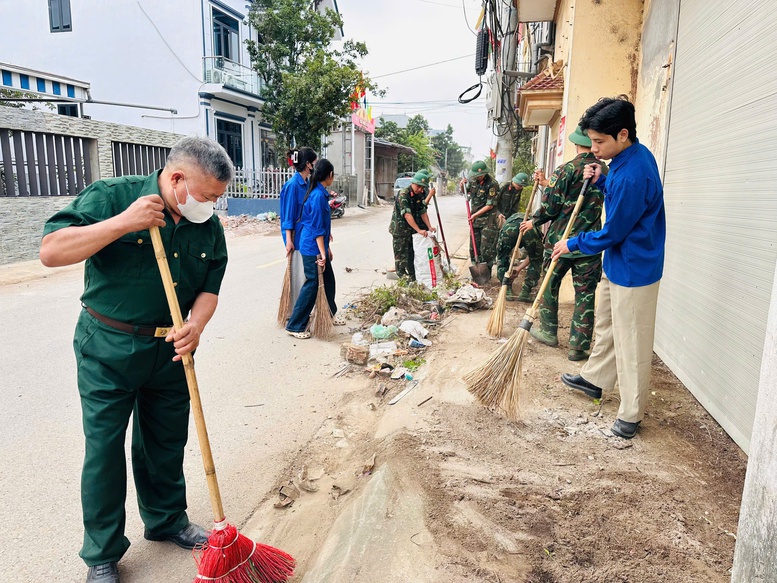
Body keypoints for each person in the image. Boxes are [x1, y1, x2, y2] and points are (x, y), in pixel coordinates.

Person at [39, 136, 235, 583]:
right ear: (177, 178)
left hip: (170, 347)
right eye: (206, 196)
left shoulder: (206, 224)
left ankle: (167, 519)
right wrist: (122, 223)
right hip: (107, 346)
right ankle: (103, 553)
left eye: (217, 199)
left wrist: (196, 326)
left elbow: (209, 287)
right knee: (105, 449)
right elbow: (51, 251)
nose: (211, 206)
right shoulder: (113, 197)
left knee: (165, 441)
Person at [553, 96, 666, 439]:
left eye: (600, 142)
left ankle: (631, 413)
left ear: (622, 134)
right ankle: (595, 379)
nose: (594, 148)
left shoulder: (634, 173)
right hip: (618, 263)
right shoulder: (624, 158)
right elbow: (618, 198)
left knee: (631, 341)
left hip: (634, 269)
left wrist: (572, 243)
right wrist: (602, 179)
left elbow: (614, 231)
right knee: (606, 323)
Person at [519, 126, 607, 361]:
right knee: (585, 294)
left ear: (575, 143)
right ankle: (578, 346)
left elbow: (552, 206)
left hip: (562, 242)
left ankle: (548, 331)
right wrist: (547, 182)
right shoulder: (603, 169)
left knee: (549, 285)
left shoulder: (566, 169)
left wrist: (535, 221)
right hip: (589, 242)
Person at [285, 159, 346, 338]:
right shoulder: (318, 196)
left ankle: (329, 313)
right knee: (312, 284)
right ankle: (295, 325)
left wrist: (326, 249)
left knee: (329, 280)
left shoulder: (320, 192)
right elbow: (317, 229)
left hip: (316, 244)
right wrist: (322, 252)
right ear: (329, 175)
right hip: (312, 246)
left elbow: (321, 227)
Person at [280, 147, 318, 309]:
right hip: (295, 238)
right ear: (308, 164)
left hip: (307, 236)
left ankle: (302, 311)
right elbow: (288, 216)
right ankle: (293, 313)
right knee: (296, 277)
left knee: (304, 277)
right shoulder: (293, 185)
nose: (316, 165)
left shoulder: (307, 184)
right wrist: (289, 240)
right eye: (315, 162)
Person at [495, 187, 544, 302]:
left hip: (510, 230)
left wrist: (518, 268)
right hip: (528, 229)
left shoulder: (507, 223)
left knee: (502, 258)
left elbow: (503, 255)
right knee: (537, 259)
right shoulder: (534, 223)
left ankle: (506, 290)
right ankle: (525, 292)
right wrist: (519, 268)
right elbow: (532, 257)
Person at [388, 171, 437, 281]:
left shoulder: (418, 195)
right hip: (400, 231)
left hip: (410, 231)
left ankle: (413, 279)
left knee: (411, 256)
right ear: (414, 183)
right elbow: (407, 215)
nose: (421, 190)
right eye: (419, 187)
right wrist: (418, 230)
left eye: (422, 188)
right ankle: (403, 281)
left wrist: (429, 227)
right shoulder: (403, 194)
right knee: (401, 258)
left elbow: (422, 211)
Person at [466, 160, 499, 275]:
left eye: (479, 175)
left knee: (486, 248)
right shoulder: (473, 181)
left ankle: (486, 272)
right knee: (473, 247)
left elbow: (490, 205)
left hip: (488, 221)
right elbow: (466, 191)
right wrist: (462, 185)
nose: (477, 177)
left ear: (484, 173)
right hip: (474, 221)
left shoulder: (492, 184)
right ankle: (476, 272)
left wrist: (475, 214)